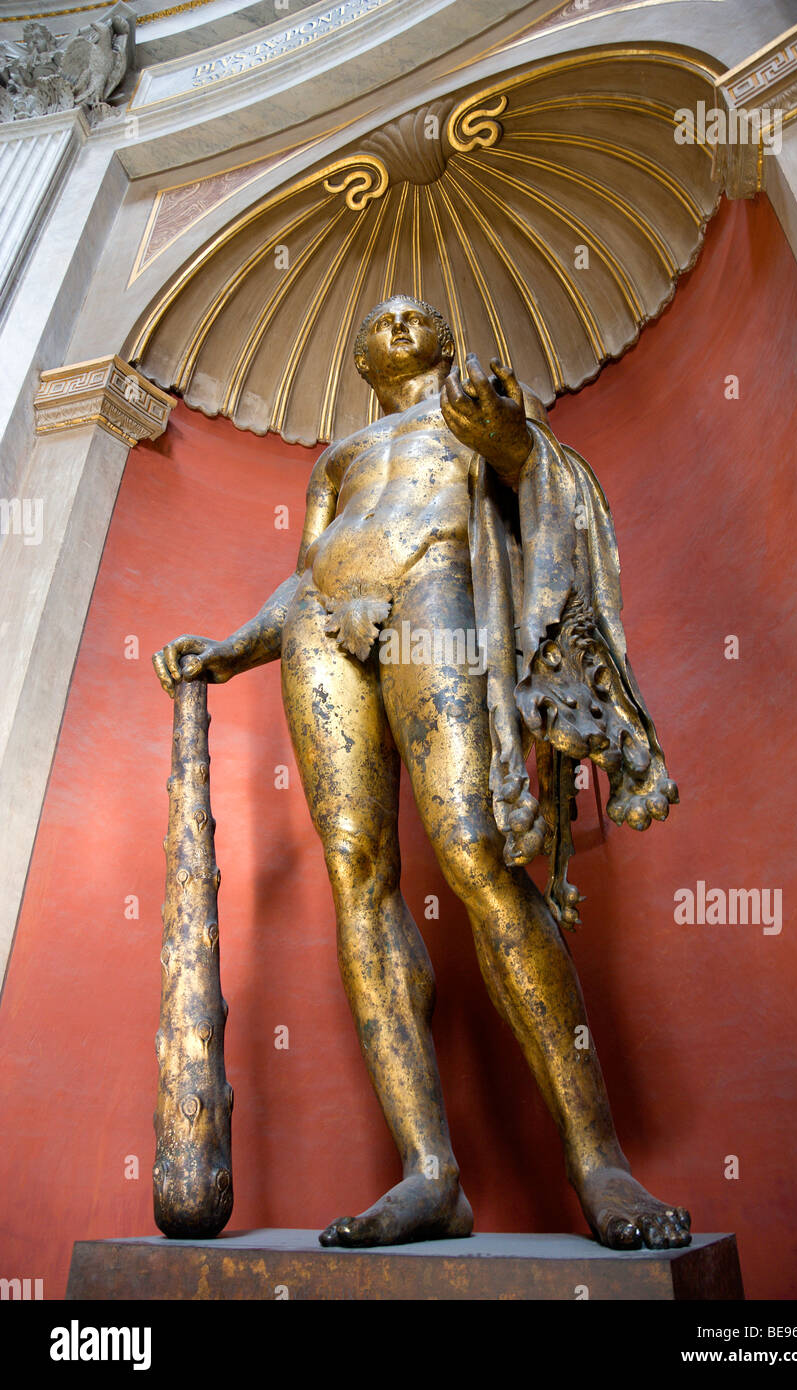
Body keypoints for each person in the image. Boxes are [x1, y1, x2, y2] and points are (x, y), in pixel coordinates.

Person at [154, 294, 688, 1250]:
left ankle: (599, 1161)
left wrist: (515, 440)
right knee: (356, 873)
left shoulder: (476, 410)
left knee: (476, 853)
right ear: (358, 357)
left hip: (437, 592)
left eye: (417, 315)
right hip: (323, 629)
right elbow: (310, 572)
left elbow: (553, 496)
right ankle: (430, 1171)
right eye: (381, 320)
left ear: (445, 337)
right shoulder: (338, 459)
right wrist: (236, 647)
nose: (399, 324)